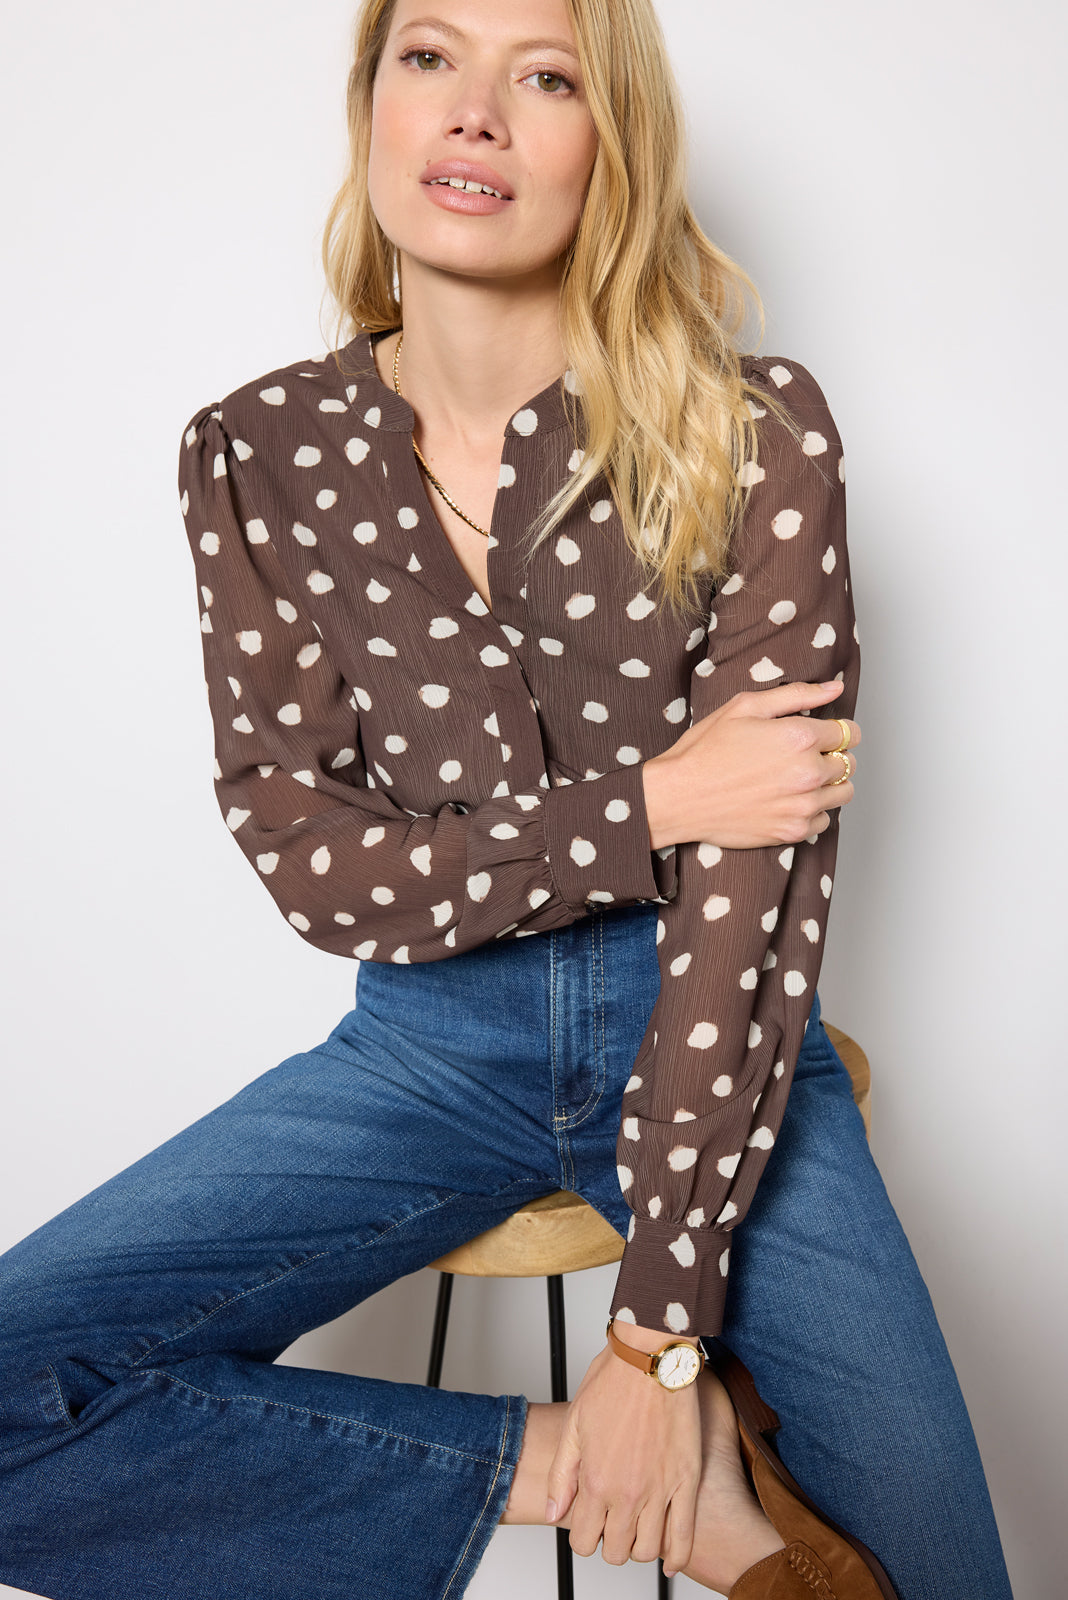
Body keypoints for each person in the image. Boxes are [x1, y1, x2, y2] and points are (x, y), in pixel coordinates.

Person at [0, 1, 1014, 1597]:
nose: (475, 110)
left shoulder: (756, 428)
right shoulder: (259, 451)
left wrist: (655, 1340)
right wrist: (655, 799)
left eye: (545, 77)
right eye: (431, 56)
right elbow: (319, 866)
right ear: (372, 105)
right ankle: (565, 1471)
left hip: (719, 1028)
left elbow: (757, 896)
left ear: (612, 144)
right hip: (427, 1047)